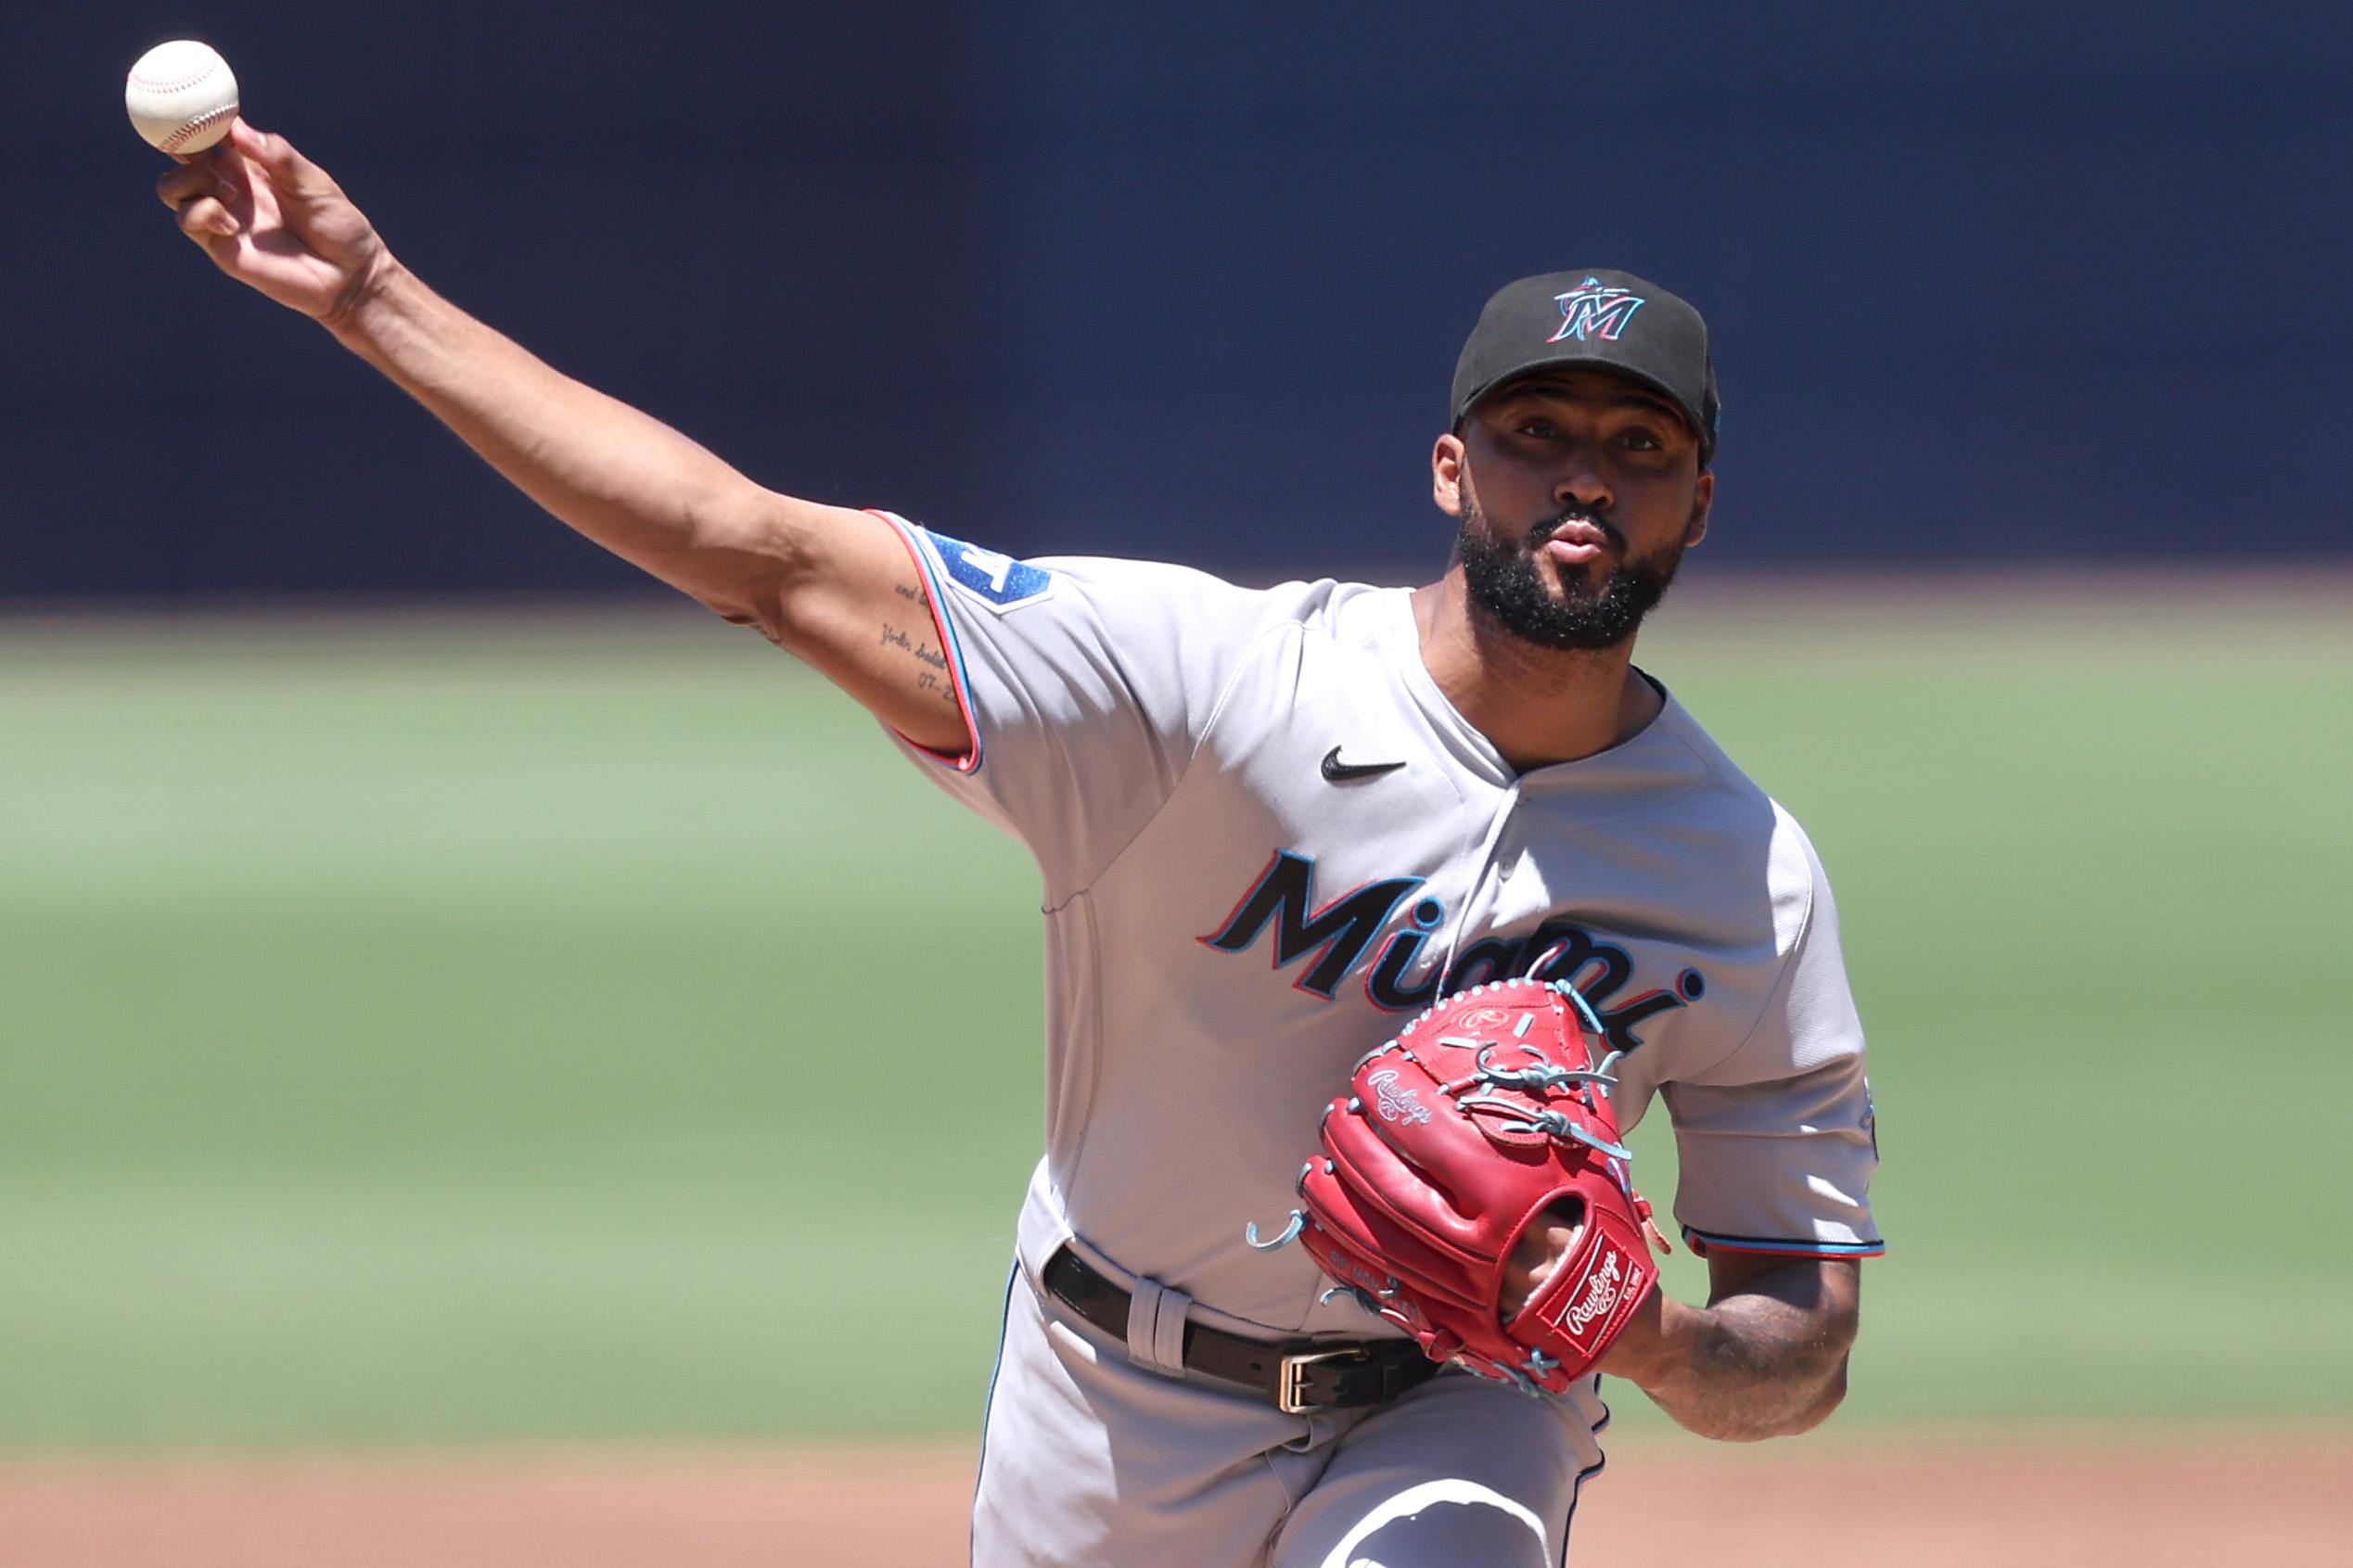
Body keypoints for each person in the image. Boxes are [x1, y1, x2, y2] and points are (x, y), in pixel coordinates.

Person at [157, 121, 1883, 1567]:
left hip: (1460, 1411)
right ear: (1449, 468)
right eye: (1535, 435)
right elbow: (755, 553)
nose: (1579, 483)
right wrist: (376, 299)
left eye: (1636, 449)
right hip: (1107, 1394)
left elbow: (1796, 1350)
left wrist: (1638, 1334)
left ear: (1697, 503)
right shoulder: (1205, 692)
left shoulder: (1741, 878)